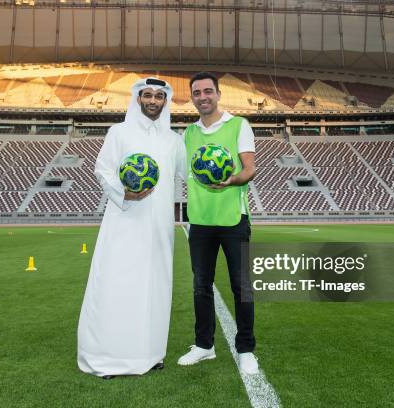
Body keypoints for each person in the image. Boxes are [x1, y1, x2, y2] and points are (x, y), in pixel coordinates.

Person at [77, 77, 186, 379]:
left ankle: (150, 355)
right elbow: (103, 169)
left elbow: (190, 174)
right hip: (124, 223)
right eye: (148, 95)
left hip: (159, 229)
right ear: (138, 99)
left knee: (155, 289)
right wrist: (125, 193)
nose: (153, 101)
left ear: (165, 102)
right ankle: (106, 358)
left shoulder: (174, 140)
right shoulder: (119, 132)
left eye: (159, 97)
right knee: (116, 286)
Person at [177, 72, 259, 375]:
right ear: (193, 97)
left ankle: (246, 348)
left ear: (218, 94)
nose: (203, 96)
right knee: (201, 286)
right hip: (200, 221)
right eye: (197, 92)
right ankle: (204, 345)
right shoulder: (188, 133)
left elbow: (250, 168)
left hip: (233, 219)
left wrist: (232, 180)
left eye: (208, 91)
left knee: (242, 288)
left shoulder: (238, 125)